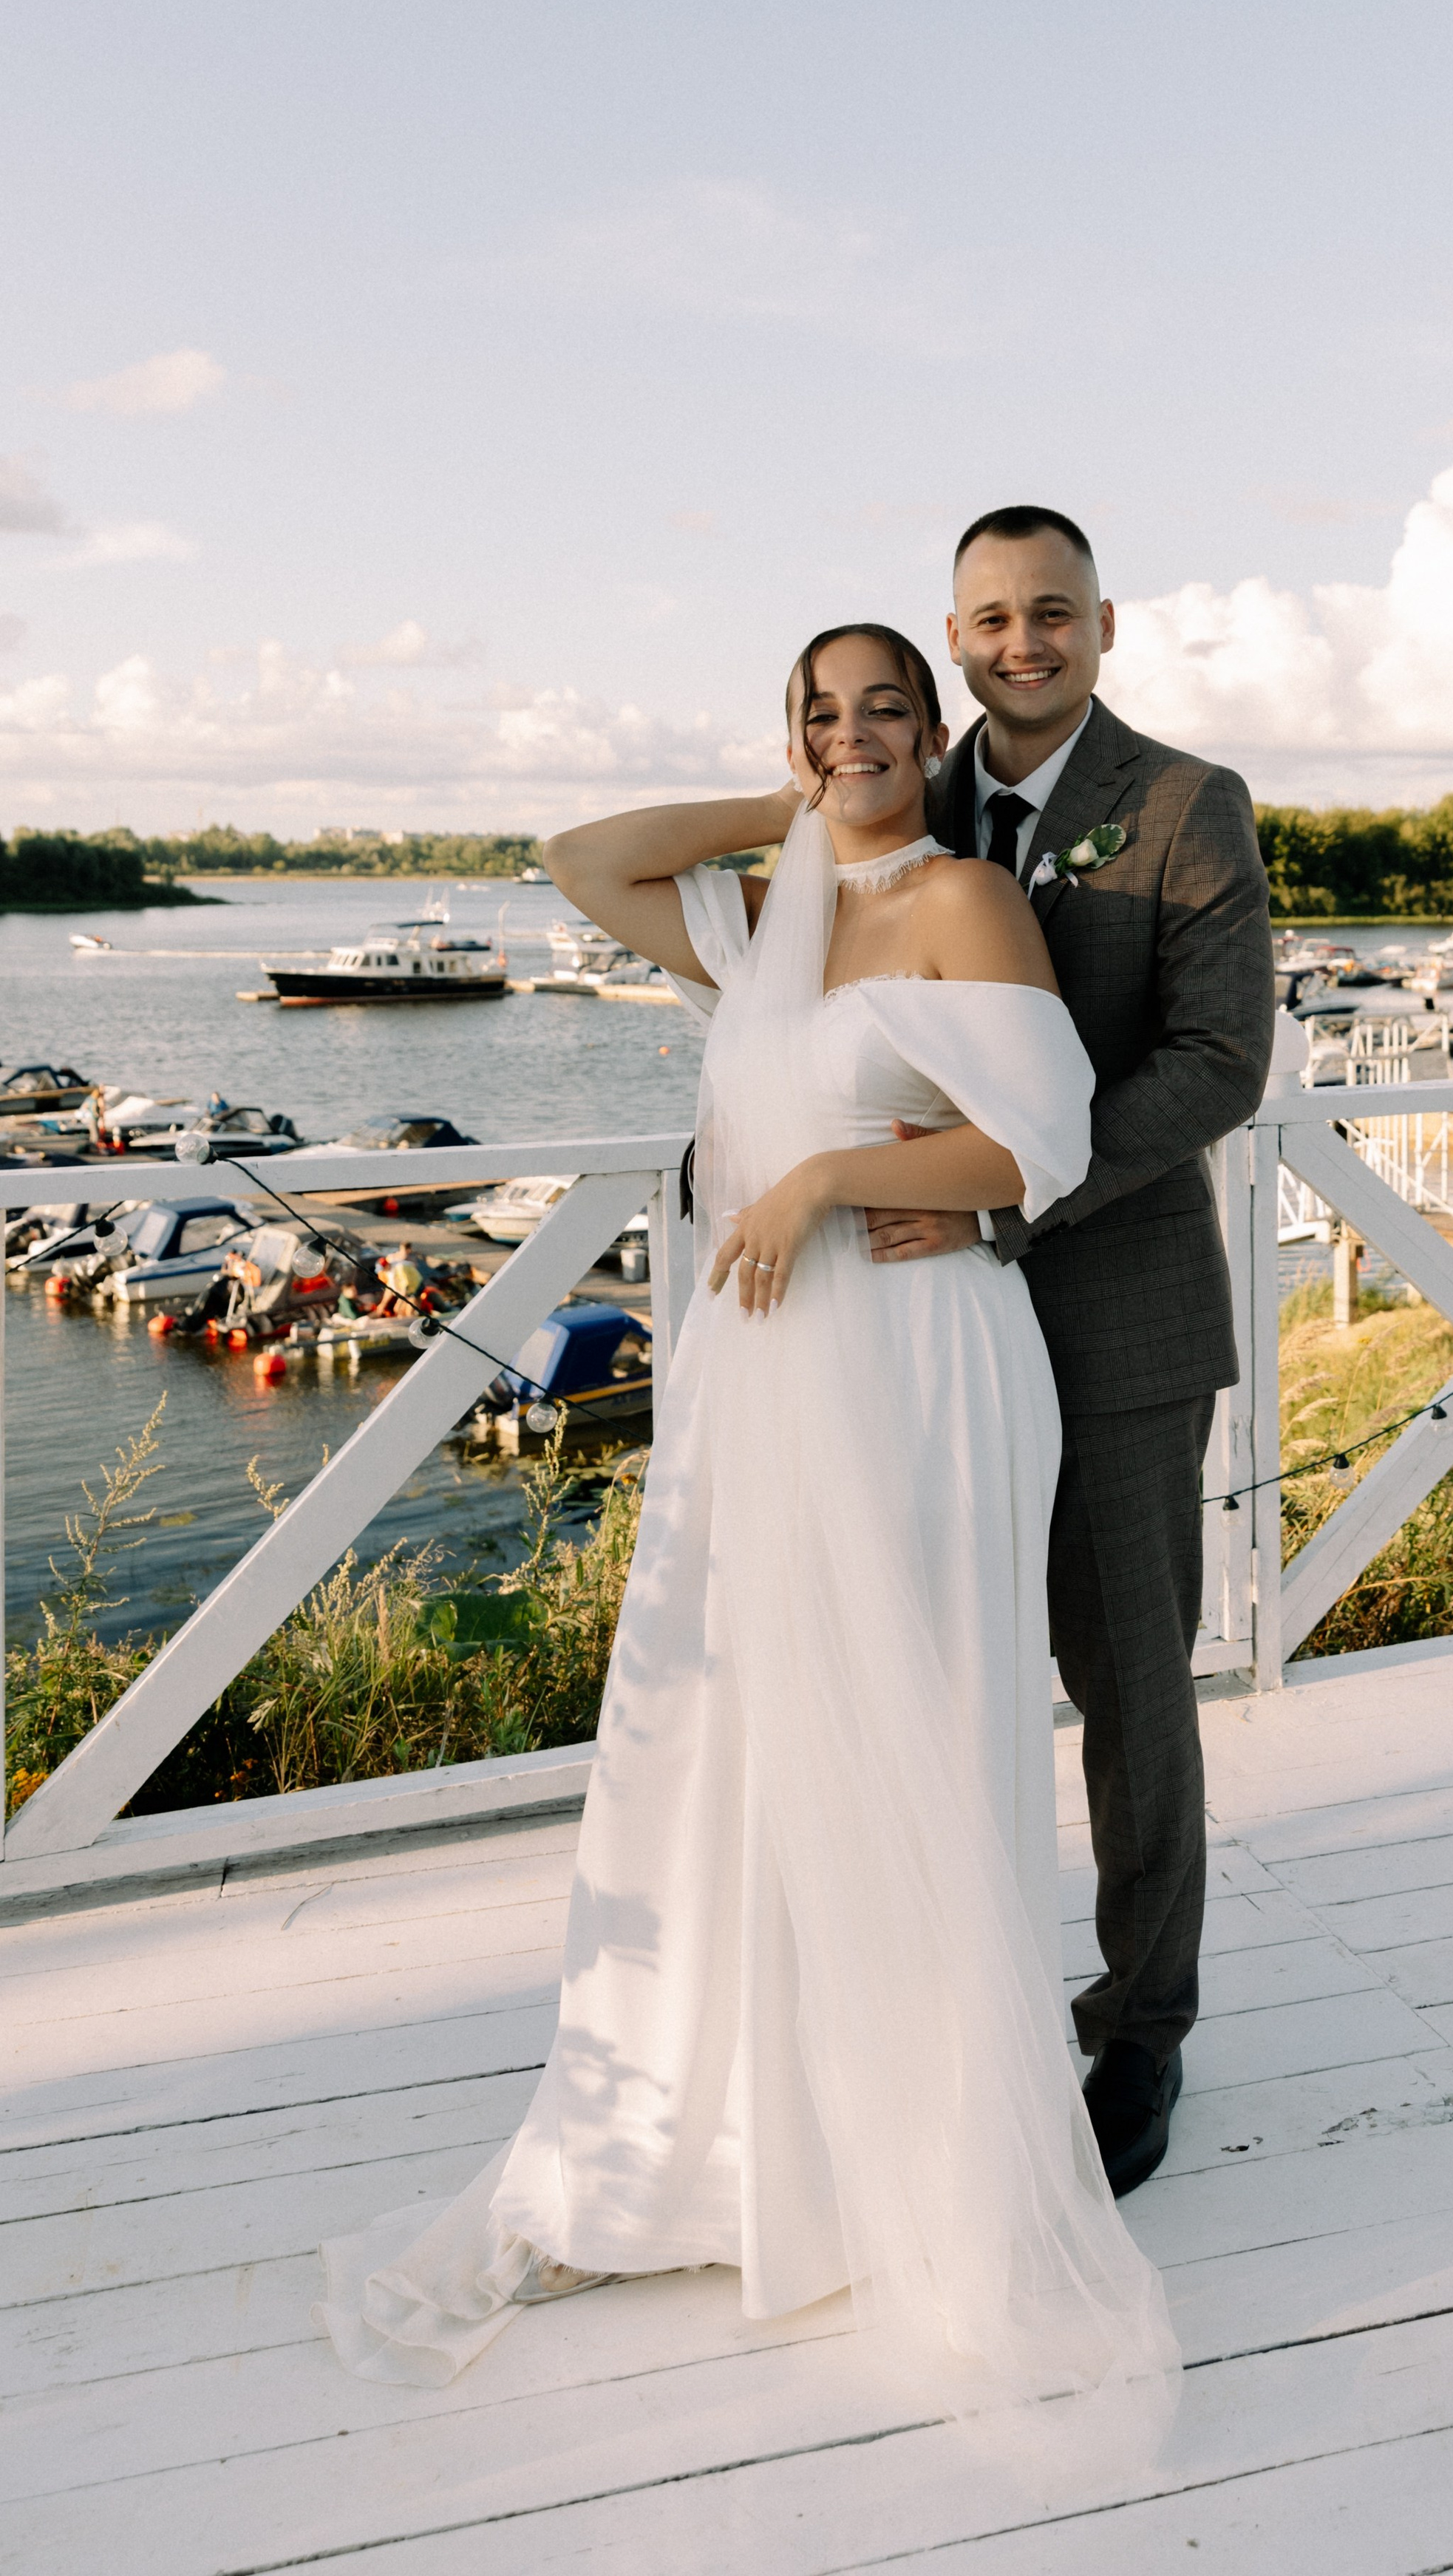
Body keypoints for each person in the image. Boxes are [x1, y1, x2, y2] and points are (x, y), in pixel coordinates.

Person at [316, 621, 1179, 2463]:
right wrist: (785, 800)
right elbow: (578, 864)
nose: (851, 736)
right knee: (724, 1733)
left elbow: (1033, 1144)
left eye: (883, 711)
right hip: (766, 1378)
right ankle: (707, 2152)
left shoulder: (962, 899)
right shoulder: (758, 910)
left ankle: (909, 2155)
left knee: (907, 1728)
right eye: (818, 712)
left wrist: (822, 1173)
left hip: (923, 1364)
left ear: (935, 732)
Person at [865, 507, 1273, 2197]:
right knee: (935, 1673)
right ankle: (946, 2000)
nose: (1018, 642)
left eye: (1050, 613)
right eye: (987, 618)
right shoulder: (896, 804)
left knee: (1125, 1692)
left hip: (1112, 1318)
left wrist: (1003, 1205)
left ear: (1102, 624)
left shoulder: (1185, 806)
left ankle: (1142, 2022)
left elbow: (1215, 1063)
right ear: (946, 637)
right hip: (914, 1331)